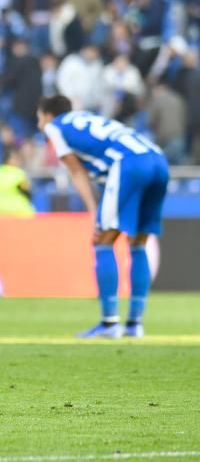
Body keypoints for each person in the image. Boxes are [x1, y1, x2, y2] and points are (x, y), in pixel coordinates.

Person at [37, 95, 169, 339]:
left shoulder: (55, 126)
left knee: (102, 240)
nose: (39, 125)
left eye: (39, 118)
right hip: (158, 160)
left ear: (48, 115)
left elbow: (76, 171)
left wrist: (91, 211)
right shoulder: (88, 117)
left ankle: (109, 324)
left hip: (129, 164)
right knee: (138, 243)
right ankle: (134, 324)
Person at [0, 147, 35, 215]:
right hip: (19, 211)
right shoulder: (18, 173)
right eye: (15, 158)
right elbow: (27, 191)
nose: (18, 161)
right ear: (9, 160)